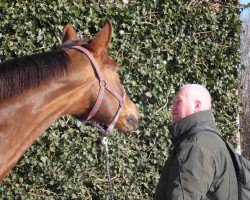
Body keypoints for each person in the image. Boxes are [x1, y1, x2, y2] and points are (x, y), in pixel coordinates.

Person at [154, 84, 238, 200]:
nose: (172, 107)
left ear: (196, 105)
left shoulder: (196, 145)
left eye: (179, 101)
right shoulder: (212, 140)